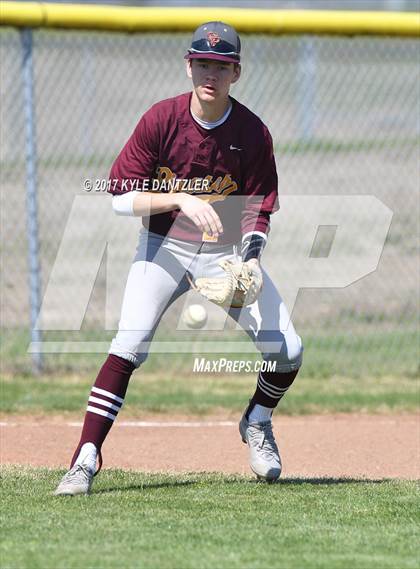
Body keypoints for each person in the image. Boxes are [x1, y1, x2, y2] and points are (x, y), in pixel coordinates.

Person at [55, 21, 303, 496]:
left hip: (226, 254)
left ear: (236, 73)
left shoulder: (252, 133)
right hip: (162, 247)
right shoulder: (161, 119)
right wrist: (177, 198)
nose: (212, 73)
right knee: (128, 344)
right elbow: (117, 195)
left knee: (288, 351)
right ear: (189, 65)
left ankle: (258, 419)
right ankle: (85, 458)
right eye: (204, 63)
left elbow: (259, 209)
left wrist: (250, 261)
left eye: (222, 66)